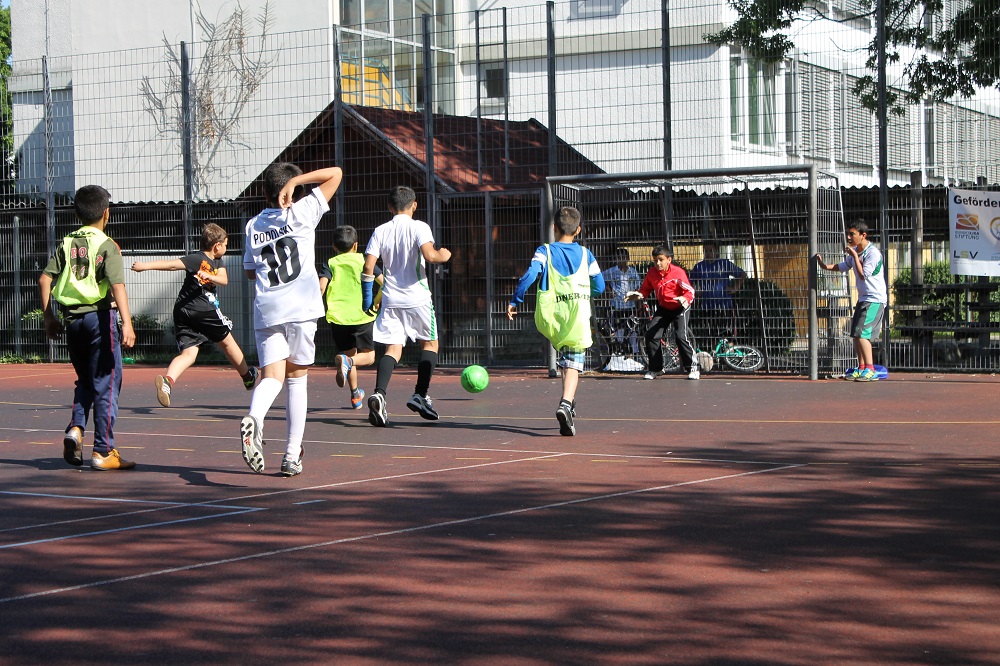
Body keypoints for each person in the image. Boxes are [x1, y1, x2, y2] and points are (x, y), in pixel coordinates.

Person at [240, 163, 343, 476]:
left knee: (271, 377)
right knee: (297, 380)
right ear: (293, 190)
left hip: (267, 308)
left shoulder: (253, 225)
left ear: (263, 191)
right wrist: (298, 181)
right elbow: (336, 173)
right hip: (301, 309)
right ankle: (290, 456)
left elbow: (248, 271)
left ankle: (255, 417)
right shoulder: (302, 211)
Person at [38, 184, 137, 470]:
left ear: (77, 213)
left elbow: (45, 280)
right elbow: (117, 284)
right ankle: (103, 451)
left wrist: (49, 318)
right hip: (99, 320)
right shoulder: (107, 245)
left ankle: (76, 429)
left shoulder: (67, 242)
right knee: (107, 383)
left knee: (85, 380)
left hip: (72, 322)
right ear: (107, 213)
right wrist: (127, 323)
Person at [131, 223, 259, 407]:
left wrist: (209, 277)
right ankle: (247, 377)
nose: (226, 248)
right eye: (226, 244)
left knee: (190, 353)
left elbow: (223, 280)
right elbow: (171, 265)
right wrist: (145, 266)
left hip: (182, 311)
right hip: (203, 310)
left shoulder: (217, 262)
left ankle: (168, 382)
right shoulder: (196, 259)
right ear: (217, 246)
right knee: (228, 343)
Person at [507, 206, 605, 436]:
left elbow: (530, 274)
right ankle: (566, 404)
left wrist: (516, 299)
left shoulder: (545, 251)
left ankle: (568, 406)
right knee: (573, 360)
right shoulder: (586, 254)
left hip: (551, 314)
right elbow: (599, 286)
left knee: (566, 357)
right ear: (578, 230)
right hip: (576, 314)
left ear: (554, 228)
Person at [361, 185, 451, 427]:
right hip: (417, 297)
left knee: (392, 350)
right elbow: (430, 256)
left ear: (390, 207)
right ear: (414, 205)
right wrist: (445, 255)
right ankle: (420, 394)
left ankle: (379, 394)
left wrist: (367, 297)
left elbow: (368, 267)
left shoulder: (380, 230)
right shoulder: (419, 226)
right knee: (430, 344)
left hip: (390, 298)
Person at [318, 225, 383, 410]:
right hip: (362, 316)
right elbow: (384, 283)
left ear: (334, 247)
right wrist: (376, 301)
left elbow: (321, 288)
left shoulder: (330, 263)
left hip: (338, 318)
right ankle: (349, 364)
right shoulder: (364, 260)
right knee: (368, 357)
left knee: (348, 354)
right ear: (356, 245)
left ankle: (355, 395)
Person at [815, 219, 887, 382]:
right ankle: (861, 368)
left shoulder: (872, 254)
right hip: (863, 299)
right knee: (856, 335)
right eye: (848, 233)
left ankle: (870, 369)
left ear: (863, 235)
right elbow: (841, 267)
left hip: (875, 300)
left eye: (852, 234)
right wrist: (822, 265)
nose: (848, 237)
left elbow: (862, 275)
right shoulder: (856, 251)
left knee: (862, 334)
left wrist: (854, 255)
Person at [625, 245, 699, 380]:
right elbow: (645, 289)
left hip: (680, 307)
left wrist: (684, 298)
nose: (658, 263)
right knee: (651, 335)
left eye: (661, 260)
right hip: (664, 307)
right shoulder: (652, 273)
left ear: (669, 260)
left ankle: (693, 367)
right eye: (655, 260)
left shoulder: (678, 273)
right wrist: (638, 294)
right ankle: (656, 369)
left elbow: (690, 291)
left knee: (680, 336)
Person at [688, 242, 746, 341]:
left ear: (716, 252)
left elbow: (742, 274)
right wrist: (695, 290)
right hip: (707, 307)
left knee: (728, 335)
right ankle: (714, 355)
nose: (708, 253)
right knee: (711, 335)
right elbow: (689, 281)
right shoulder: (699, 267)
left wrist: (735, 288)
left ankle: (729, 354)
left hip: (724, 306)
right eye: (706, 251)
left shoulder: (724, 264)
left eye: (711, 251)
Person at [601, 247, 642, 357]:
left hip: (631, 305)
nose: (621, 260)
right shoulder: (612, 271)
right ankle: (620, 351)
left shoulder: (633, 272)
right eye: (618, 257)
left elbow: (638, 287)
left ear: (627, 258)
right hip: (617, 305)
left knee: (632, 330)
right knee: (618, 329)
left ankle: (634, 353)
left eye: (623, 257)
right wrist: (609, 290)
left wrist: (639, 304)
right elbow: (601, 279)